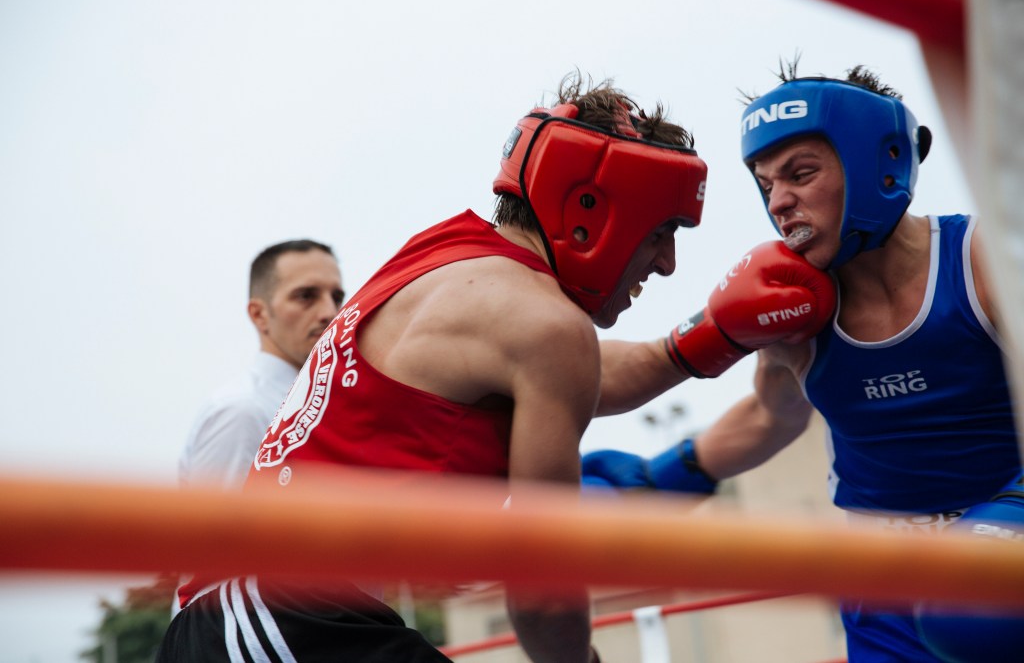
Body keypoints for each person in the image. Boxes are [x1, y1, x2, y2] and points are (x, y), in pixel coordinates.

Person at [157, 72, 836, 663]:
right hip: (276, 619)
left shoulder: (448, 257)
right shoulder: (546, 326)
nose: (666, 264)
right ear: (594, 210)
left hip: (261, 621)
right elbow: (541, 589)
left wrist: (711, 337)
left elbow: (584, 375)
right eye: (661, 232)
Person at [582, 64, 1024, 662]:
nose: (779, 201)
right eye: (766, 184)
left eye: (801, 173)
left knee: (974, 614)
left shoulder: (983, 264)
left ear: (881, 162)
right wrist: (661, 478)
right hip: (884, 589)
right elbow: (773, 415)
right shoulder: (793, 311)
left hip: (1004, 561)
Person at [178, 239, 345, 490]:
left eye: (337, 297)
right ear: (259, 314)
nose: (330, 312)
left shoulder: (318, 405)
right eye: (306, 296)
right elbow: (214, 517)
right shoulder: (243, 413)